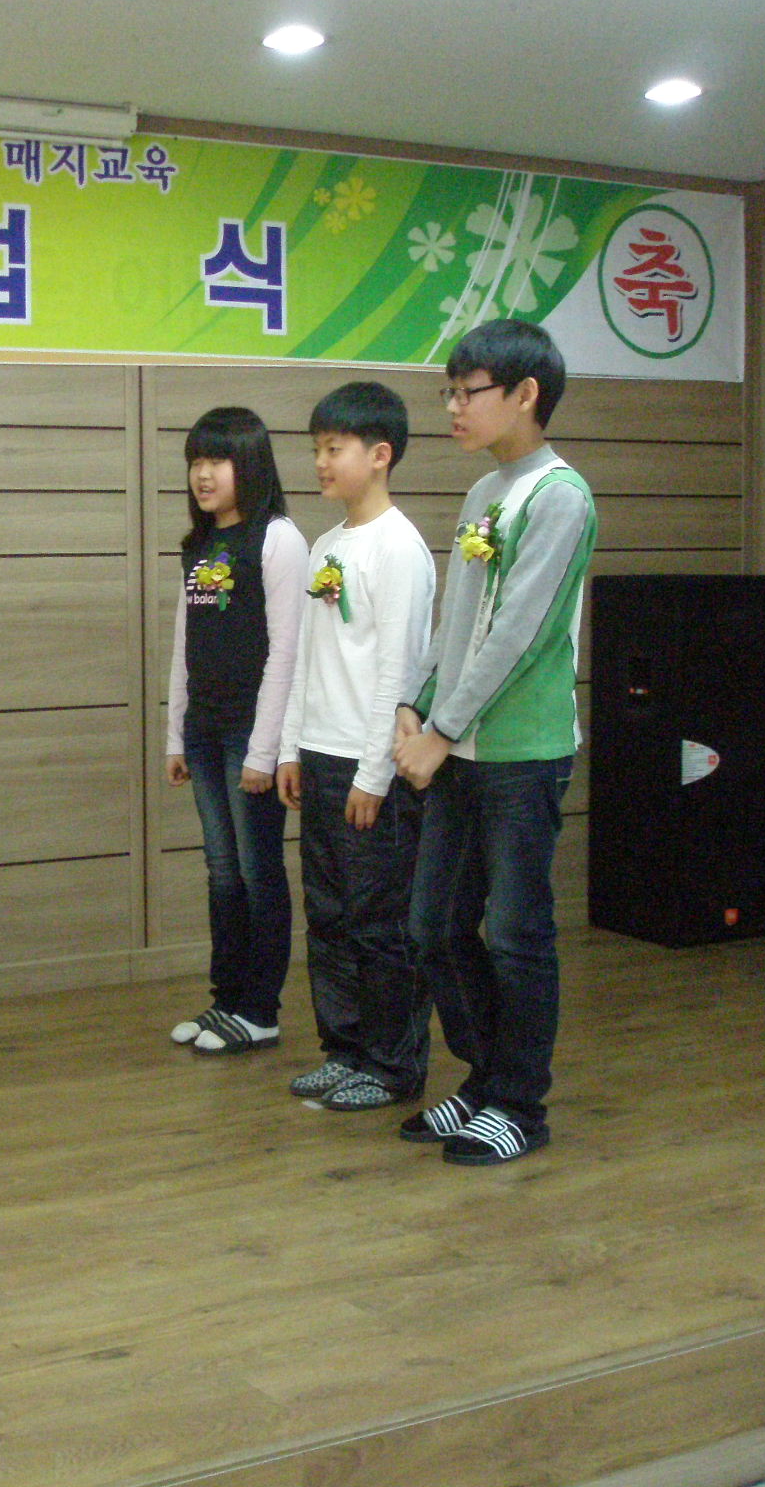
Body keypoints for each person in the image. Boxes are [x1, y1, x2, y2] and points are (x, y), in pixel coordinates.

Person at [393, 318, 598, 1165]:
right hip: (457, 746)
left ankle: (520, 1104)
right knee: (433, 927)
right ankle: (485, 1081)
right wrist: (414, 703)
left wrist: (441, 729)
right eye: (449, 391)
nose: (453, 407)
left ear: (525, 394)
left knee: (516, 933)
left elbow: (519, 632)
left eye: (467, 392)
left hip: (520, 753)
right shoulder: (484, 491)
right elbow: (459, 617)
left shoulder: (561, 497)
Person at [275, 381, 437, 1111]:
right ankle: (344, 1050)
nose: (320, 462)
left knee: (380, 923)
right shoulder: (327, 545)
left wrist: (375, 775)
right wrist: (290, 748)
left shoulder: (399, 548)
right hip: (321, 756)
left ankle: (393, 1064)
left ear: (379, 455)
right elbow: (309, 659)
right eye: (316, 449)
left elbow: (399, 675)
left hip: (372, 769)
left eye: (333, 448)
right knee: (329, 916)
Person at [164, 406, 308, 1055]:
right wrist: (176, 735)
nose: (203, 474)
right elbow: (183, 645)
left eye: (217, 460)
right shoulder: (199, 545)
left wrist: (264, 750)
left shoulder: (277, 538)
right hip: (205, 729)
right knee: (221, 871)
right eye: (196, 461)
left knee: (257, 871)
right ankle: (227, 1003)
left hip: (251, 734)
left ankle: (260, 1011)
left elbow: (287, 652)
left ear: (249, 465)